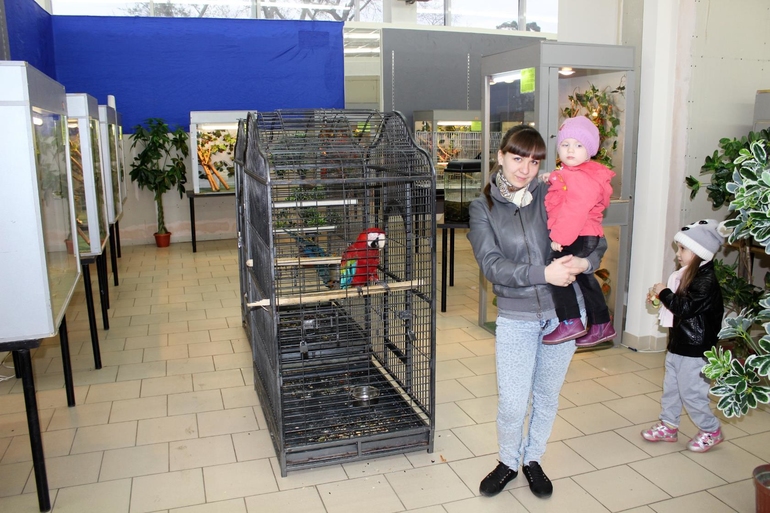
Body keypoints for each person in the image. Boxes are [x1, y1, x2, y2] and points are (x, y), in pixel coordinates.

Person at [467, 125, 607, 499]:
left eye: (533, 161)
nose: (525, 169)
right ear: (500, 156)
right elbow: (492, 264)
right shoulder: (483, 208)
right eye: (517, 158)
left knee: (546, 395)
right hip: (517, 316)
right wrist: (543, 274)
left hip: (566, 314)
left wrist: (586, 263)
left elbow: (594, 235)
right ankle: (508, 462)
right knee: (513, 403)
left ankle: (533, 459)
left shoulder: (552, 190)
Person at [641, 219, 725, 452]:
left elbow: (685, 308)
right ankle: (669, 425)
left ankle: (711, 430)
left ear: (699, 252)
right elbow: (681, 306)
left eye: (683, 249)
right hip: (680, 344)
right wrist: (662, 299)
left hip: (696, 349)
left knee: (692, 393)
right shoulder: (687, 275)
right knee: (672, 389)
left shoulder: (706, 281)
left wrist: (665, 293)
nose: (678, 254)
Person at [541, 116, 617, 347]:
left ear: (590, 151)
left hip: (578, 234)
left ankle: (570, 320)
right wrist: (553, 177)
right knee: (584, 278)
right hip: (586, 234)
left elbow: (574, 209)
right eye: (565, 144)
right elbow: (567, 186)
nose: (570, 150)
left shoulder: (581, 178)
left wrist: (559, 238)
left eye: (578, 145)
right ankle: (601, 324)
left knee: (556, 270)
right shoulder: (580, 173)